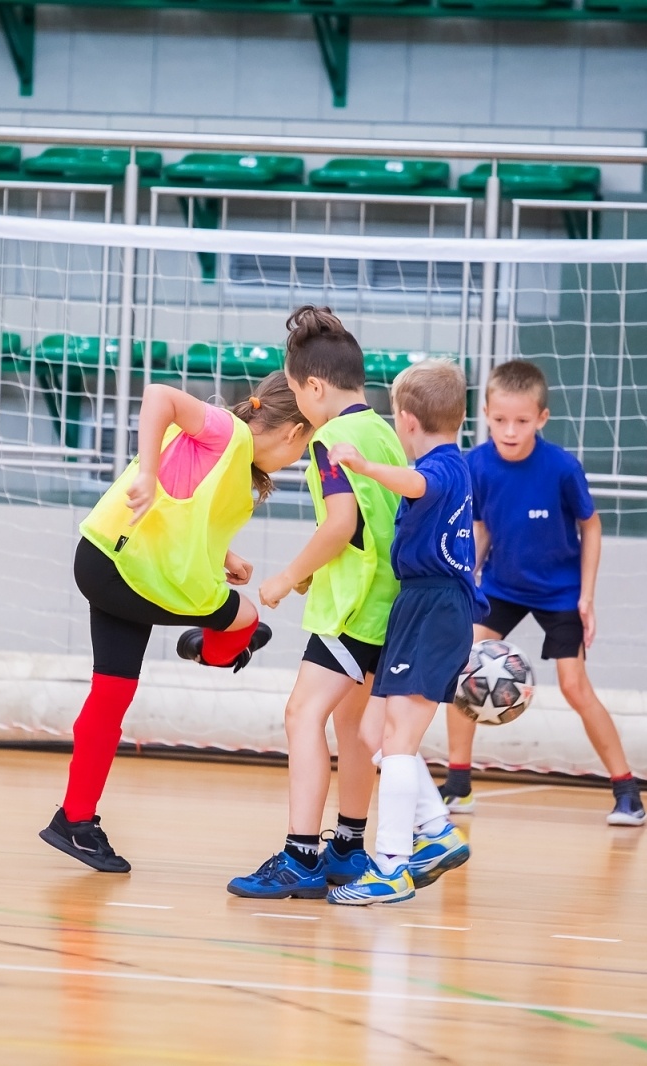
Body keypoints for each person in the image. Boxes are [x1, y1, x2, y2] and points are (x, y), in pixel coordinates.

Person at [40, 372, 312, 873]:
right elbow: (159, 396)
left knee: (111, 693)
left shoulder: (227, 454)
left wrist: (224, 553)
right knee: (246, 616)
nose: (297, 461)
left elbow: (180, 508)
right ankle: (209, 649)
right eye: (304, 449)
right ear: (293, 432)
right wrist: (144, 472)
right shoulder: (227, 432)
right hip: (132, 573)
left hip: (111, 563)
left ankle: (75, 821)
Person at [221, 307, 405, 900]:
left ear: (315, 388)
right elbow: (372, 528)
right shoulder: (384, 436)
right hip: (386, 605)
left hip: (347, 611)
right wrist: (315, 571)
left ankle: (301, 855)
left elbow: (341, 524)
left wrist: (284, 576)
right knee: (353, 727)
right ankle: (348, 851)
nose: (295, 402)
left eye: (296, 390)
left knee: (303, 715)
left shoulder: (329, 440)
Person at [445, 359, 646, 826]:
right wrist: (466, 579)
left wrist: (587, 596)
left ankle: (627, 792)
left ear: (541, 418)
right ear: (485, 415)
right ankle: (458, 783)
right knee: (462, 665)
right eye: (499, 421)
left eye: (521, 421)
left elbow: (591, 528)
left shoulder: (561, 468)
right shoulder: (476, 465)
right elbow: (481, 527)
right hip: (503, 586)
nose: (509, 431)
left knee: (576, 688)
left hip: (560, 592)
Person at [323, 359, 481, 905]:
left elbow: (415, 482)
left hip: (437, 608)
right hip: (417, 606)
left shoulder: (442, 468)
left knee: (397, 743)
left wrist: (363, 466)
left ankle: (390, 867)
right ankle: (436, 831)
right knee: (374, 733)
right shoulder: (452, 464)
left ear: (406, 420)